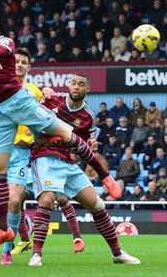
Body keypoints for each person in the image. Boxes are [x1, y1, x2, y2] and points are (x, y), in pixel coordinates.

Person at [0, 14, 119, 263]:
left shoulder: (5, 43)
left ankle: (104, 176)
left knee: (65, 135)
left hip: (20, 106)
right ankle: (5, 230)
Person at [27, 73, 140, 266]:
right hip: (44, 158)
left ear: (88, 89)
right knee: (46, 200)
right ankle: (36, 254)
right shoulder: (52, 98)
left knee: (97, 205)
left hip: (68, 163)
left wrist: (89, 145)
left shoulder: (89, 116)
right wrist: (41, 96)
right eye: (73, 83)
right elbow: (29, 108)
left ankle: (117, 253)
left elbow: (81, 146)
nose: (75, 87)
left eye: (80, 84)